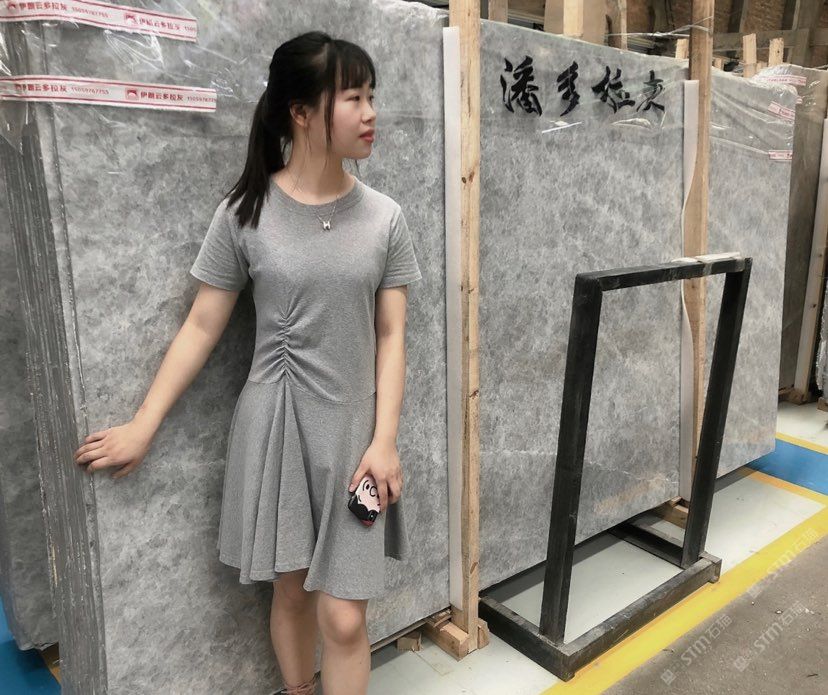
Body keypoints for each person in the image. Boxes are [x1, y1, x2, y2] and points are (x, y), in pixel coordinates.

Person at [72, 31, 423, 695]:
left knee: (345, 617)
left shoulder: (386, 218)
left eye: (371, 95)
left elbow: (392, 335)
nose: (371, 112)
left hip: (355, 441)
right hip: (276, 428)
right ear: (301, 112)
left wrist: (385, 440)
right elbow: (202, 325)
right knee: (290, 591)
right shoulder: (245, 212)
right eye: (353, 97)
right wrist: (144, 424)